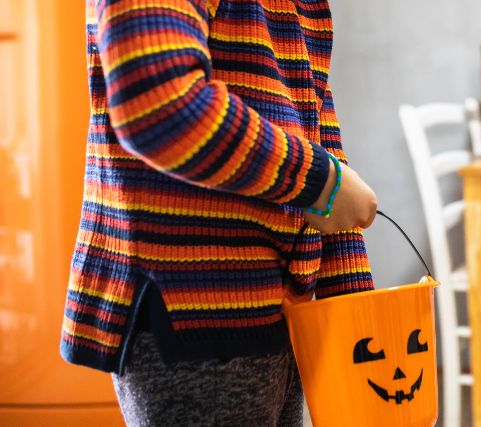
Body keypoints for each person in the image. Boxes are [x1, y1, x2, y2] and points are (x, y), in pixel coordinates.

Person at [61, 0, 377, 424]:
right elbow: (159, 100)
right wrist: (321, 183)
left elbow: (317, 136)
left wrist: (357, 320)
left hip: (283, 315)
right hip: (192, 309)